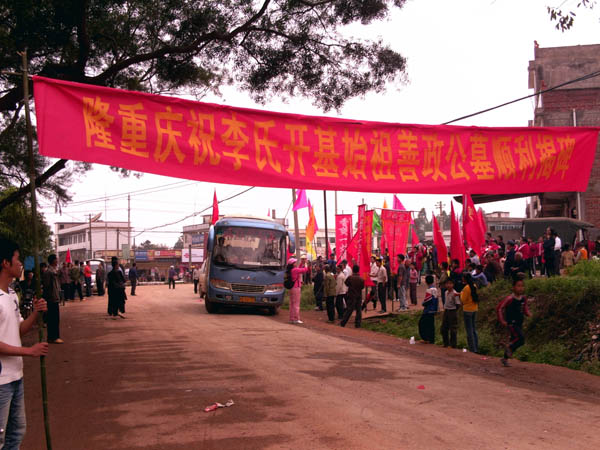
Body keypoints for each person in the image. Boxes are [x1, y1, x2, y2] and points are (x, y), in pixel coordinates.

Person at [0, 237, 49, 449]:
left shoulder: (11, 294)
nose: (21, 263)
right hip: (1, 380)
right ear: (5, 263)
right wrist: (29, 351)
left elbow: (18, 329)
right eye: (17, 258)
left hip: (16, 376)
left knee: (16, 432)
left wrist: (36, 313)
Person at [497, 276, 531, 367]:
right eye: (518, 286)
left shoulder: (523, 298)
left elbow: (525, 308)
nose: (520, 288)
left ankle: (505, 359)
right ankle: (508, 346)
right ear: (513, 287)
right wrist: (502, 320)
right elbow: (499, 308)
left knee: (516, 340)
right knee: (521, 339)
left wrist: (529, 314)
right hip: (511, 323)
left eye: (522, 286)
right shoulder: (510, 298)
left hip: (519, 323)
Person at [42, 254, 64, 344]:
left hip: (55, 297)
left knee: (55, 318)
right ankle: (54, 337)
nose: (57, 261)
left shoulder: (53, 271)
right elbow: (47, 286)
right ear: (53, 261)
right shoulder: (49, 272)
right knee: (53, 319)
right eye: (56, 259)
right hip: (51, 299)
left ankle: (53, 337)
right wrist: (48, 298)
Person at [286, 257, 309, 324]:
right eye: (295, 262)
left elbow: (299, 269)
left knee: (292, 304)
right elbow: (305, 270)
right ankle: (296, 318)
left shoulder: (291, 270)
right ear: (293, 264)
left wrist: (302, 263)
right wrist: (306, 264)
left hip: (292, 288)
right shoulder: (295, 270)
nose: (296, 263)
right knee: (296, 304)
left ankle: (292, 318)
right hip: (296, 287)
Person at [460, 272, 479, 353]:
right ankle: (476, 347)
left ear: (465, 279)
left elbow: (463, 300)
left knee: (469, 330)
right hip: (474, 308)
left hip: (467, 309)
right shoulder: (474, 286)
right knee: (474, 329)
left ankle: (472, 348)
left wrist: (461, 293)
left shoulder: (466, 288)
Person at [418, 275, 438, 344]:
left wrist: (423, 303)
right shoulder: (435, 289)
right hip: (433, 309)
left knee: (422, 323)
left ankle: (425, 338)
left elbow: (427, 300)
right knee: (431, 325)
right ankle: (431, 339)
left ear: (426, 282)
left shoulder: (429, 290)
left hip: (428, 310)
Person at [441, 278, 461, 348]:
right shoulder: (446, 292)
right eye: (447, 284)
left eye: (450, 283)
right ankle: (446, 343)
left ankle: (453, 344)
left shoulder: (455, 293)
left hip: (452, 311)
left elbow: (458, 304)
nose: (448, 285)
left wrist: (454, 311)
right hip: (446, 310)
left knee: (453, 328)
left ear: (453, 285)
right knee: (444, 328)